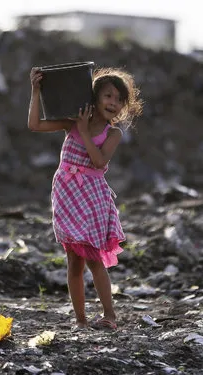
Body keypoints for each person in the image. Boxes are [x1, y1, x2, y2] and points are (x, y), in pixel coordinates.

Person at [27, 66, 143, 330]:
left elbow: (99, 159)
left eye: (118, 99)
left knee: (93, 258)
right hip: (66, 195)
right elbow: (34, 124)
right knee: (73, 261)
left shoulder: (113, 134)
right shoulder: (71, 121)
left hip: (91, 197)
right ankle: (80, 320)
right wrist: (36, 90)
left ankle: (109, 315)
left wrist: (84, 130)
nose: (112, 103)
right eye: (107, 96)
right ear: (94, 97)